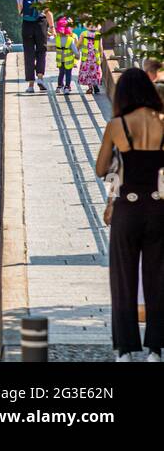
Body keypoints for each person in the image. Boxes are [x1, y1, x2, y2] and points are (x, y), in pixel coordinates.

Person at [95, 67, 164, 361]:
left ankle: (125, 349)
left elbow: (101, 169)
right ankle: (156, 349)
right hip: (159, 207)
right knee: (158, 278)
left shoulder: (117, 125)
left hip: (128, 208)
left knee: (123, 279)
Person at [17, 0, 54, 93]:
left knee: (29, 53)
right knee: (41, 51)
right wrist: (52, 28)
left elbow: (20, 11)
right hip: (40, 23)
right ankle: (40, 77)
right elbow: (48, 12)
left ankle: (30, 85)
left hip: (27, 24)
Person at [53, 16, 78, 93]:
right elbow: (74, 49)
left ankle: (59, 86)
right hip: (69, 60)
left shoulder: (57, 38)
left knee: (61, 73)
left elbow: (49, 39)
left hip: (60, 60)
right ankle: (67, 87)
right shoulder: (71, 39)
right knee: (68, 74)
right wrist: (77, 55)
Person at [78, 20, 103, 95]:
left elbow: (79, 44)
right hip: (95, 56)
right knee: (95, 71)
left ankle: (90, 88)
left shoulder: (84, 33)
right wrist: (101, 56)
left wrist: (76, 52)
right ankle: (95, 85)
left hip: (86, 56)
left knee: (87, 71)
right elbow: (100, 47)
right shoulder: (98, 35)